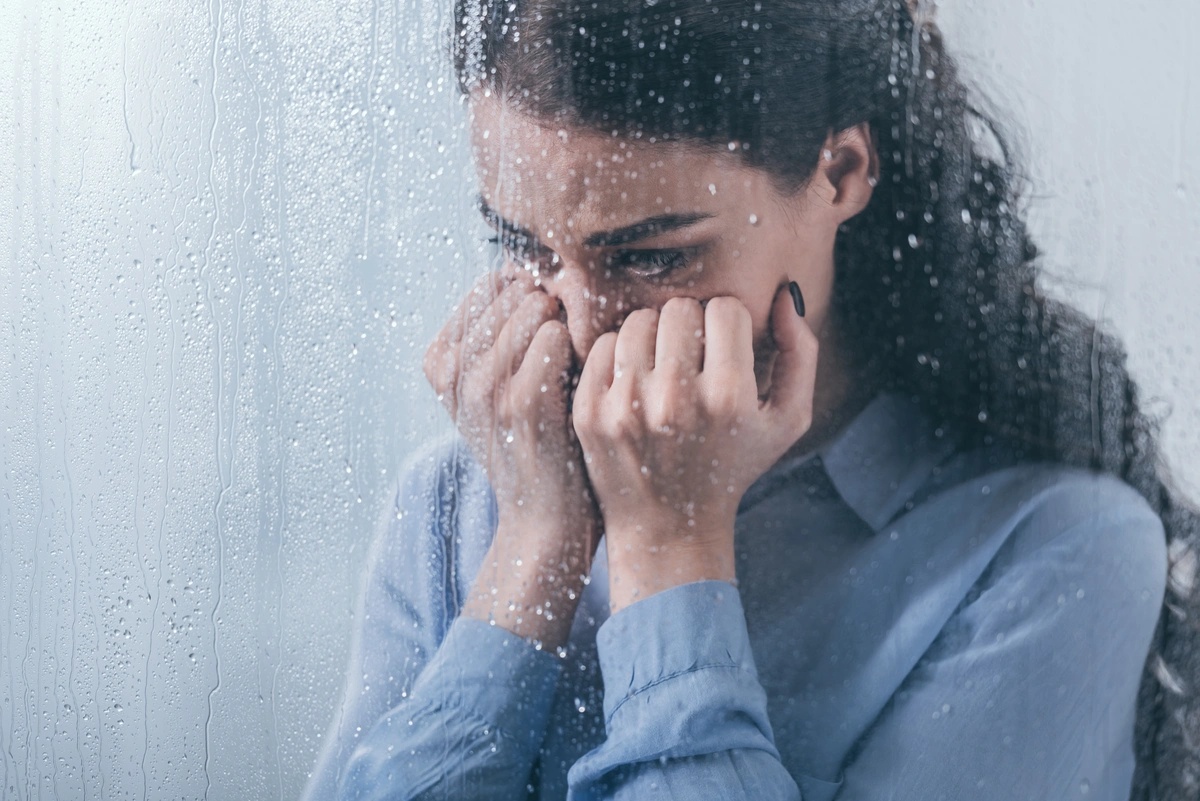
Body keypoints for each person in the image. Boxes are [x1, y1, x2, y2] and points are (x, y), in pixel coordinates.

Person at [302, 1, 1200, 799]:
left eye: (651, 257)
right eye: (519, 244)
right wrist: (532, 546)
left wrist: (672, 549)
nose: (575, 325)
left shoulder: (1056, 548)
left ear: (841, 172)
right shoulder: (458, 504)